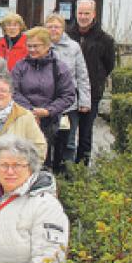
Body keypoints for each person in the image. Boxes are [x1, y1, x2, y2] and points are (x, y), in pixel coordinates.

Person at [11, 27, 76, 162]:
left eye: (36, 46)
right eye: (29, 46)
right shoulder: (20, 66)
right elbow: (13, 91)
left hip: (49, 117)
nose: (32, 49)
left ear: (47, 46)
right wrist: (31, 111)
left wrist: (48, 111)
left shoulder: (59, 68)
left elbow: (68, 95)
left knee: (43, 153)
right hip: (23, 115)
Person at [67, 0, 115, 166]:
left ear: (93, 14)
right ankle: (66, 166)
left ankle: (82, 168)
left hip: (93, 92)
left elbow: (109, 65)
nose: (83, 17)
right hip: (69, 93)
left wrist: (96, 78)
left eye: (87, 13)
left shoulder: (105, 40)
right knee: (67, 132)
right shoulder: (68, 36)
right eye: (80, 13)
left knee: (86, 134)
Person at [46, 13, 91, 172]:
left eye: (56, 27)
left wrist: (85, 101)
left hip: (68, 104)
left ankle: (67, 176)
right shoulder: (41, 46)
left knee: (68, 141)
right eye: (50, 26)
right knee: (47, 141)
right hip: (46, 103)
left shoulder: (73, 47)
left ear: (62, 29)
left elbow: (82, 75)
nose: (53, 30)